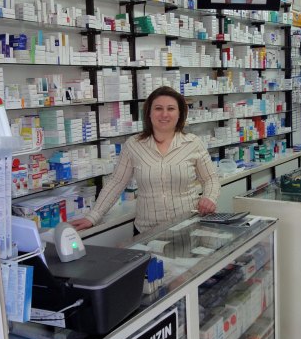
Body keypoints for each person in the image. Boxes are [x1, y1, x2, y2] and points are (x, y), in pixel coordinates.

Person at [70, 86, 220, 233]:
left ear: (180, 113)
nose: (164, 114)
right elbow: (116, 183)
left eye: (171, 109)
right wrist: (93, 216)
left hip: (187, 226)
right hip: (147, 231)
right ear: (149, 113)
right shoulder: (134, 145)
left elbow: (210, 179)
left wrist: (209, 197)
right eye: (158, 108)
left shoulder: (193, 143)